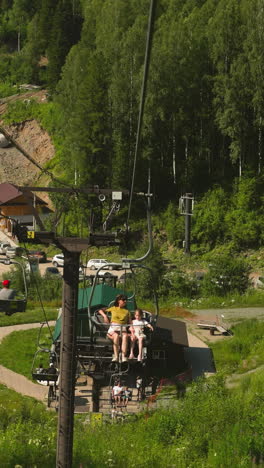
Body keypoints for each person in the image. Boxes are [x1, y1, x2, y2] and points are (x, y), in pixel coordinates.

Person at [98, 294, 131, 362]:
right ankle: (116, 356)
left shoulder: (127, 311)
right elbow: (100, 310)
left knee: (125, 337)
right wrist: (105, 316)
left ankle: (123, 356)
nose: (125, 301)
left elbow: (130, 323)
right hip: (114, 328)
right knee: (115, 336)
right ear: (119, 301)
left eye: (126, 300)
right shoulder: (113, 308)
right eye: (123, 300)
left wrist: (132, 330)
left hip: (122, 329)